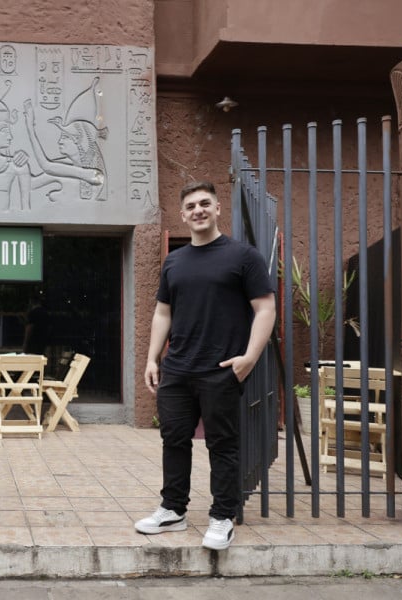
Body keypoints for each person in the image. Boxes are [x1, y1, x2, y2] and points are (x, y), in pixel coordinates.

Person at [135, 181, 276, 551]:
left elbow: (265, 308)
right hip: (177, 368)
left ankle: (222, 516)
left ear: (217, 209)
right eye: (191, 206)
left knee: (222, 444)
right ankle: (173, 510)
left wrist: (249, 357)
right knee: (174, 440)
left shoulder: (242, 256)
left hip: (221, 367)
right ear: (183, 215)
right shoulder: (174, 261)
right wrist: (152, 357)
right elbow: (163, 311)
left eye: (204, 204)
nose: (198, 210)